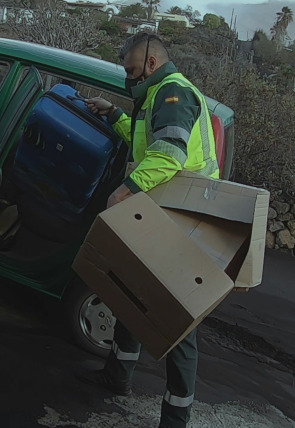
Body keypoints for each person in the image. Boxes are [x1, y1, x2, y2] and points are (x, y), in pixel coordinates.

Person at [85, 32, 219, 428]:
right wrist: (113, 114)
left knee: (175, 318)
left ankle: (176, 418)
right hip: (161, 214)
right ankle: (117, 376)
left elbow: (169, 155)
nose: (128, 78)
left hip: (182, 220)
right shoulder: (156, 93)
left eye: (130, 70)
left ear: (150, 63)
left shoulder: (173, 93)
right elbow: (146, 146)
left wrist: (124, 193)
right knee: (133, 294)